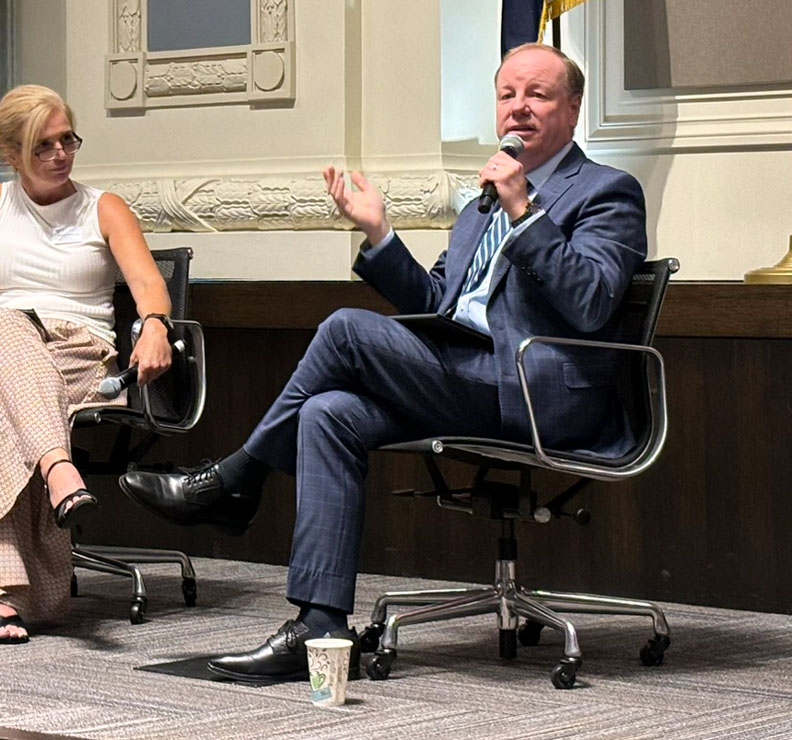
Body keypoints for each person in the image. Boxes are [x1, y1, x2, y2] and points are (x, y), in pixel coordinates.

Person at [120, 43, 648, 681]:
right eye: (507, 94)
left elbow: (591, 304)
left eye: (537, 94)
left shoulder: (606, 191)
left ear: (573, 106)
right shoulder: (481, 203)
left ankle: (236, 477)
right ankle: (319, 628)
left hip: (535, 394)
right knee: (328, 412)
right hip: (465, 374)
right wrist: (379, 234)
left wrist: (525, 213)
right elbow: (437, 304)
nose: (519, 109)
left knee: (345, 328)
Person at [0, 84, 173, 645]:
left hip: (81, 356)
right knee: (6, 325)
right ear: (12, 154)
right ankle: (58, 469)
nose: (61, 154)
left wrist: (155, 322)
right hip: (5, 348)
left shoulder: (103, 207)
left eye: (68, 139)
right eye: (44, 145)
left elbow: (150, 288)